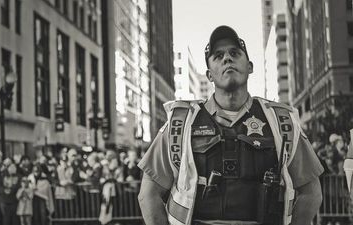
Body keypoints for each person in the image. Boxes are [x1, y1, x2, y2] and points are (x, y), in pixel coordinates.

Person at [138, 25, 324, 225]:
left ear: (250, 66)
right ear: (209, 75)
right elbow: (148, 194)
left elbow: (311, 193)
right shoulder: (180, 123)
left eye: (234, 53)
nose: (227, 58)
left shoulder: (281, 121)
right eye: (218, 56)